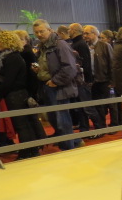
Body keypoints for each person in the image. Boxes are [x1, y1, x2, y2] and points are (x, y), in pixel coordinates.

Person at [0, 31, 45, 159]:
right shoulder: (12, 57)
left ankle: (26, 152)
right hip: (18, 94)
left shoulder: (12, 58)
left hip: (16, 95)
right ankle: (32, 151)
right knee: (25, 124)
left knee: (21, 125)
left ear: (7, 42)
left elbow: (9, 80)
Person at [32, 19, 83, 150]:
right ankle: (75, 141)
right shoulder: (42, 46)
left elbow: (70, 68)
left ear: (49, 30)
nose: (39, 34)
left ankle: (68, 148)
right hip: (47, 87)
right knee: (54, 119)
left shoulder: (60, 45)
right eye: (36, 32)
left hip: (59, 87)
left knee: (61, 120)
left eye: (42, 31)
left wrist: (55, 81)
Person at [69, 23, 104, 134]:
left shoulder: (80, 44)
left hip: (83, 81)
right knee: (81, 107)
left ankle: (99, 129)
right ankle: (84, 128)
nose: (85, 35)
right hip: (79, 80)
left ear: (74, 30)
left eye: (87, 33)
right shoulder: (78, 43)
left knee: (87, 106)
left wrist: (86, 80)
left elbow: (86, 64)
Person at [83, 24, 115, 133]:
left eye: (87, 33)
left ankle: (114, 126)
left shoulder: (105, 46)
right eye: (84, 33)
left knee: (108, 105)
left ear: (95, 34)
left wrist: (112, 81)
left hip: (104, 80)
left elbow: (112, 63)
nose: (85, 35)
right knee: (97, 105)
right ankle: (101, 126)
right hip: (92, 81)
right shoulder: (85, 47)